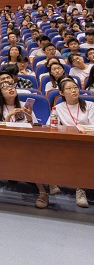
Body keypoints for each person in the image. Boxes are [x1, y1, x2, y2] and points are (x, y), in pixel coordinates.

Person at [54, 78, 94, 208]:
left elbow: (92, 126)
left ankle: (80, 189)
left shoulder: (89, 105)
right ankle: (51, 182)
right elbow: (52, 126)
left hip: (86, 141)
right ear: (61, 93)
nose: (74, 90)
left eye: (75, 87)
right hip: (66, 141)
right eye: (69, 88)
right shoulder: (58, 108)